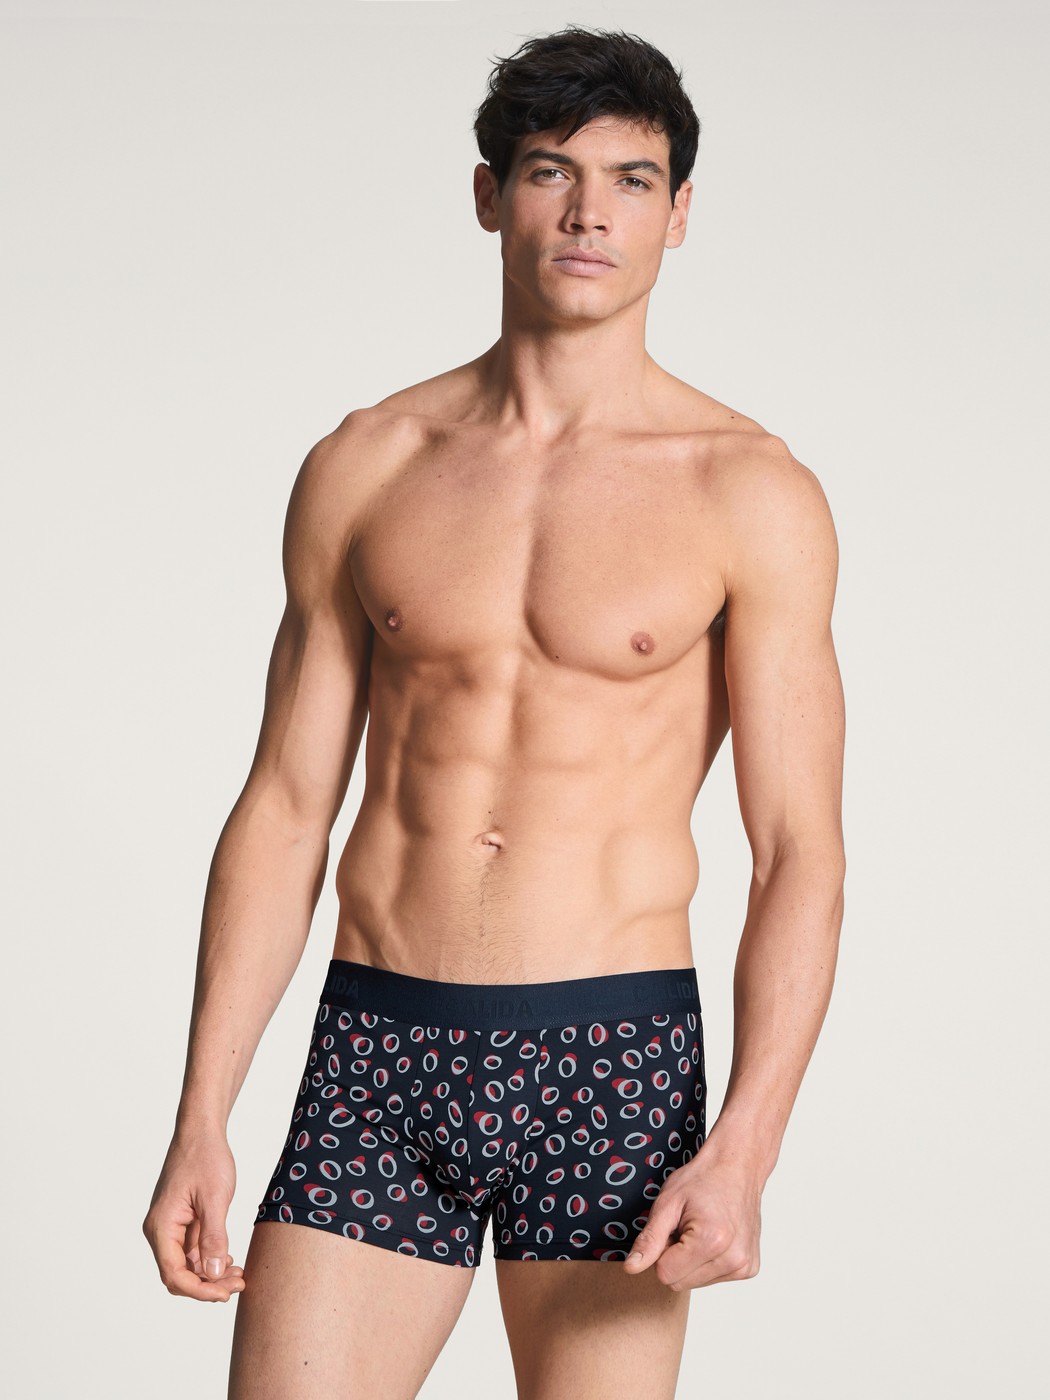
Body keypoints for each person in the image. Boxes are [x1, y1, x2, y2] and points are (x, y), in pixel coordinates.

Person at [143, 23, 846, 1399]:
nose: (590, 214)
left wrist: (748, 1143)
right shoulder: (367, 464)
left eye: (632, 181)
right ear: (489, 195)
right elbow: (285, 808)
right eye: (549, 171)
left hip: (611, 1059)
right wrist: (201, 1116)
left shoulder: (747, 491)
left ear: (678, 216)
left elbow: (798, 853)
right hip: (377, 1044)